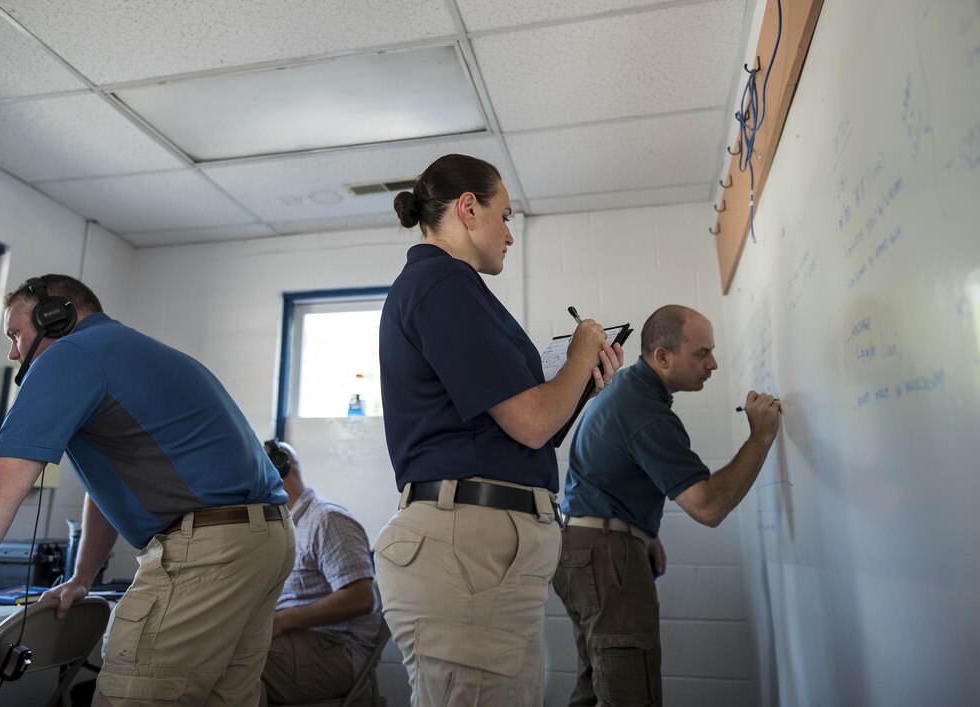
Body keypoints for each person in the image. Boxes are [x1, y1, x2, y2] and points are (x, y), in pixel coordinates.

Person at [0, 274, 295, 707]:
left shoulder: (71, 354)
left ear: (55, 317)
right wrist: (83, 576)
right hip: (264, 541)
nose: (14, 353)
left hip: (210, 551)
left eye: (17, 334)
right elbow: (108, 485)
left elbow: (1, 476)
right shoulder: (135, 351)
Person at [375, 153, 624, 706]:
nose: (510, 235)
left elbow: (522, 430)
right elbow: (532, 423)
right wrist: (582, 349)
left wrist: (578, 382)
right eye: (505, 216)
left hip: (477, 545)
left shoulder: (450, 289)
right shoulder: (442, 283)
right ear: (468, 209)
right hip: (467, 549)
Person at [554, 304, 782, 707]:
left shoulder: (628, 390)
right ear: (663, 356)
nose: (713, 364)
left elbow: (606, 473)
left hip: (586, 548)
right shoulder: (645, 411)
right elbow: (708, 507)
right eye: (701, 353)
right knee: (628, 694)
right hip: (606, 556)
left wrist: (644, 530)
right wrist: (760, 438)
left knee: (596, 688)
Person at [258, 439, 383, 706]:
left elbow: (361, 598)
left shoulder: (327, 519)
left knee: (234, 663)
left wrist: (281, 621)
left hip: (337, 649)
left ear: (275, 470)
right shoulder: (289, 526)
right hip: (305, 644)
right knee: (220, 651)